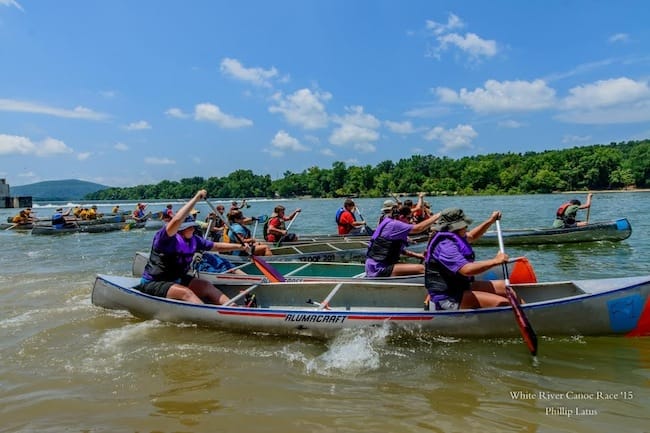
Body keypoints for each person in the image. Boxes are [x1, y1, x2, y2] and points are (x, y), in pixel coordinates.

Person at [135, 189, 250, 305]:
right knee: (186, 293)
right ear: (180, 228)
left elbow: (216, 246)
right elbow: (176, 220)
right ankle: (209, 316)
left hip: (177, 279)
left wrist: (241, 247)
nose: (193, 229)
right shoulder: (165, 238)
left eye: (193, 226)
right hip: (154, 282)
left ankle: (232, 307)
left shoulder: (194, 240)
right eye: (189, 227)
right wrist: (196, 198)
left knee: (206, 285)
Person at [424, 208, 518, 310]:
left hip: (460, 287)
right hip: (448, 298)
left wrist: (490, 221)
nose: (466, 227)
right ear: (456, 227)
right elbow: (467, 270)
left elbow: (472, 236)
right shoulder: (445, 245)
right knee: (503, 303)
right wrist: (495, 261)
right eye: (464, 225)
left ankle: (525, 311)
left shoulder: (455, 235)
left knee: (505, 287)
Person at [365, 205, 441, 277]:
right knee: (422, 269)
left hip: (373, 265)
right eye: (409, 218)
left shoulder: (388, 221)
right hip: (377, 268)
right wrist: (438, 215)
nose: (411, 220)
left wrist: (417, 255)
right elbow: (418, 228)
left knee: (412, 266)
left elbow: (394, 249)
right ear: (401, 217)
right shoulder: (395, 225)